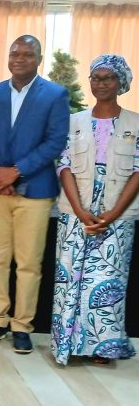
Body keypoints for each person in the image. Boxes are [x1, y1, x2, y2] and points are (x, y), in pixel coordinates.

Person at [0, 35, 69, 354]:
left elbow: (55, 141)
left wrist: (15, 171)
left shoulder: (55, 94)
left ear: (39, 59)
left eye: (27, 54)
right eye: (14, 53)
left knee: (29, 263)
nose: (19, 58)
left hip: (36, 192)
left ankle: (22, 325)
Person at [51, 54, 139, 365]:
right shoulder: (74, 121)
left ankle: (104, 348)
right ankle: (68, 346)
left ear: (121, 82)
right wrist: (79, 209)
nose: (101, 83)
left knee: (106, 282)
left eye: (108, 78)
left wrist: (112, 215)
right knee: (70, 278)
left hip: (118, 212)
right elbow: (63, 166)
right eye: (96, 78)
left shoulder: (136, 123)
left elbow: (138, 171)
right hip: (76, 210)